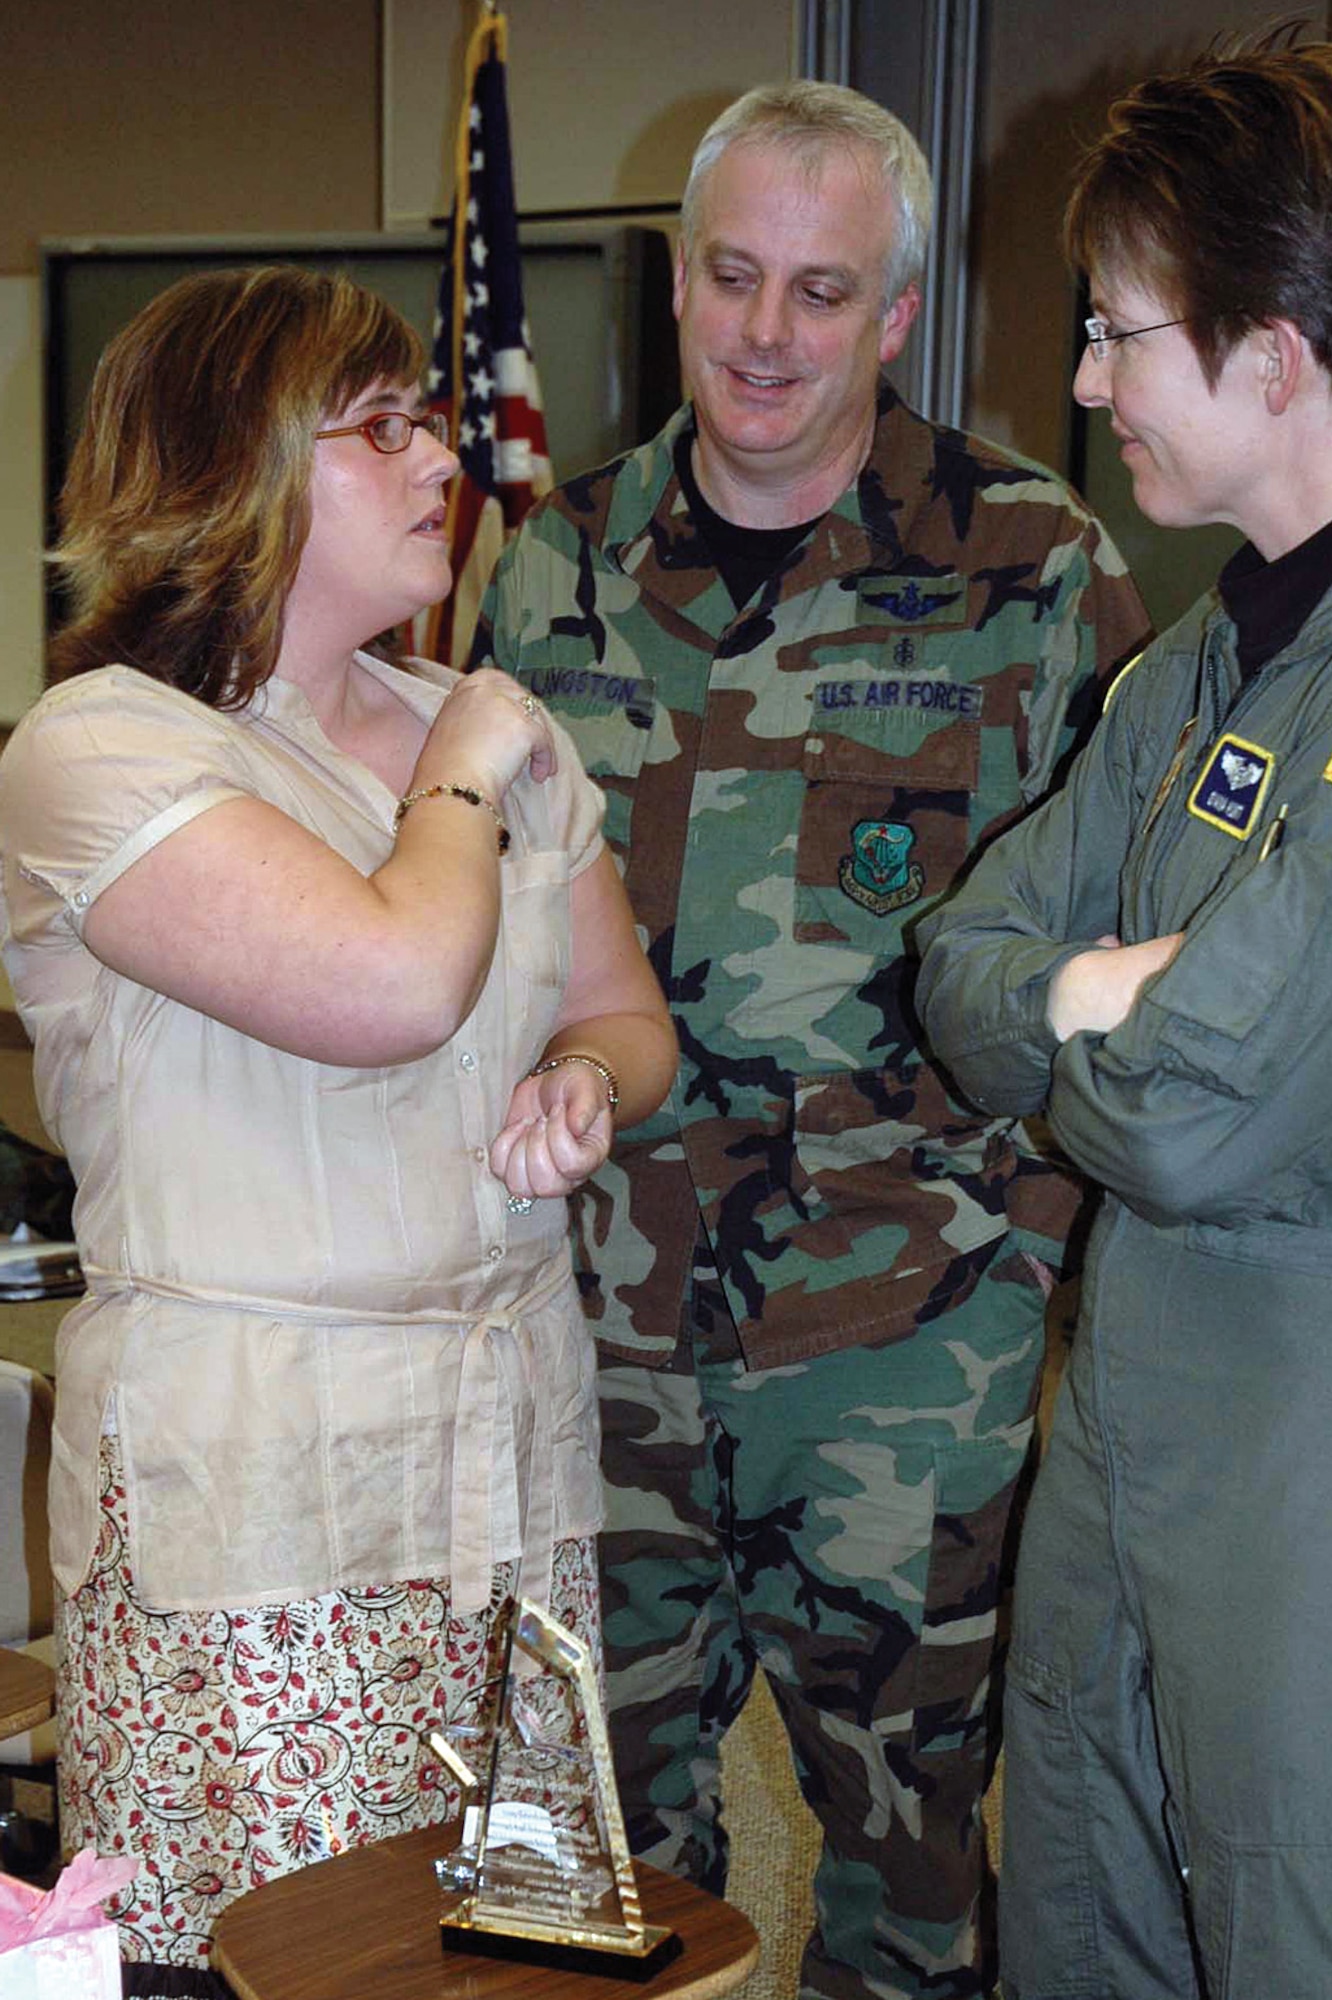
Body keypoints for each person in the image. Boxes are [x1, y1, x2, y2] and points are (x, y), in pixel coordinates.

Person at [472, 79, 1149, 2000]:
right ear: (679, 280)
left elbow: (1109, 968)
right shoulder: (549, 569)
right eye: (732, 277)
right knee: (589, 1865)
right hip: (594, 1335)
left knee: (906, 1864)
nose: (765, 336)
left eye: (822, 291)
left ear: (899, 314)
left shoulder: (1032, 569)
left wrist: (1014, 1262)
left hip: (903, 1357)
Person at [916, 39, 1332, 2000]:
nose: (1085, 382)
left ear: (1270, 352)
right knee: (1085, 1950)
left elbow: (1198, 1124)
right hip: (1119, 1450)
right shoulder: (1196, 663)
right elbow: (957, 974)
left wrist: (1088, 1018)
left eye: (1115, 333)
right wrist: (1081, 992)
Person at [0, 265, 676, 1993]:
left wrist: (584, 1084)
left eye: (434, 419)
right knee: (266, 1958)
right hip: (260, 1492)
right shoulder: (100, 750)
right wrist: (456, 767)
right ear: (239, 467)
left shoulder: (486, 733)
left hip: (500, 1456)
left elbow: (626, 1014)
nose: (442, 457)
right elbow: (391, 987)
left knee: (501, 1948)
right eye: (381, 429)